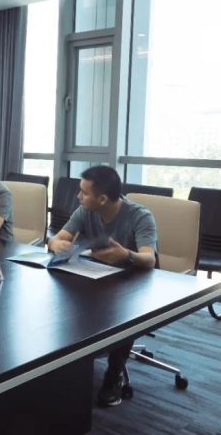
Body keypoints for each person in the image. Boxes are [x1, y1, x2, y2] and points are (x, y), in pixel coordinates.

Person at [47, 165, 157, 407]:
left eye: (84, 192)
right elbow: (58, 237)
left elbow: (149, 259)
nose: (79, 196)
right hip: (95, 277)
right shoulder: (85, 211)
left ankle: (114, 374)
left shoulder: (140, 216)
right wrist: (56, 244)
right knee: (63, 303)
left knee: (122, 315)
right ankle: (62, 365)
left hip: (131, 284)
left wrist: (126, 255)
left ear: (103, 198)